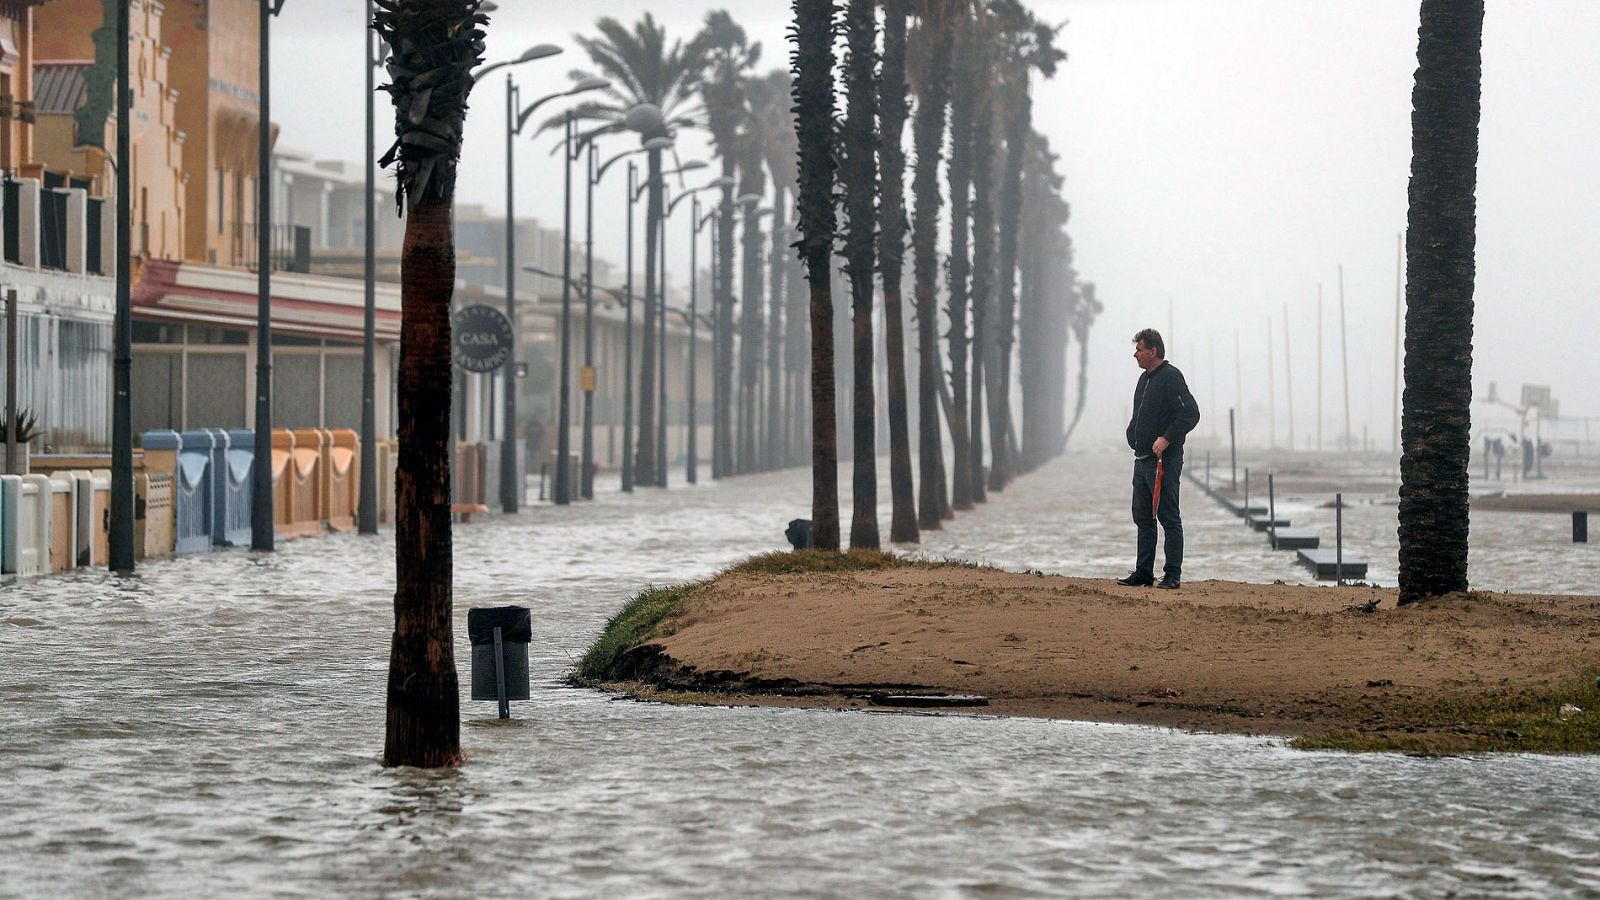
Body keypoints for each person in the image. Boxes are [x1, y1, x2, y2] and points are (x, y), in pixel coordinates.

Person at [1117, 328, 1200, 589]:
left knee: (1168, 515)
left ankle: (1173, 574)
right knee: (1142, 517)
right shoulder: (1144, 380)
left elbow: (1190, 414)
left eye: (1139, 349)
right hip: (1141, 460)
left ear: (1153, 351)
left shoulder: (1171, 377)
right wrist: (1132, 435)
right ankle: (1144, 572)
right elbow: (1138, 416)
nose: (1136, 354)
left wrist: (1166, 438)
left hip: (1165, 460)